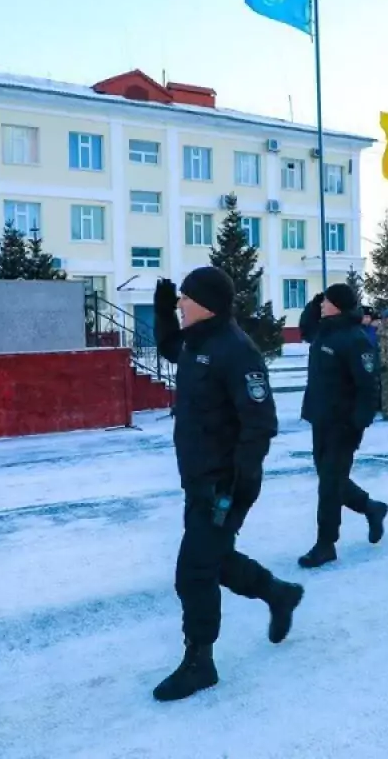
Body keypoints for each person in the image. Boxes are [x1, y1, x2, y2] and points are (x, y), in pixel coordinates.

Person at [148, 267, 302, 702]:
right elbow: (171, 348)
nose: (180, 303)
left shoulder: (237, 351)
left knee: (193, 571)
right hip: (198, 478)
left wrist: (237, 485)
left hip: (224, 484)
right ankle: (279, 593)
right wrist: (162, 310)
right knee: (214, 558)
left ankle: (201, 662)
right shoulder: (199, 342)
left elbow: (260, 423)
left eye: (184, 298)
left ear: (207, 303)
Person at [297, 283, 388, 569]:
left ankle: (326, 544)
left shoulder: (355, 338)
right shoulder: (324, 331)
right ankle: (371, 507)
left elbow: (367, 385)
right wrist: (314, 304)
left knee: (329, 484)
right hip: (321, 418)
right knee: (331, 479)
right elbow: (305, 329)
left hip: (343, 423)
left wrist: (359, 422)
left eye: (326, 301)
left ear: (338, 305)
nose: (322, 304)